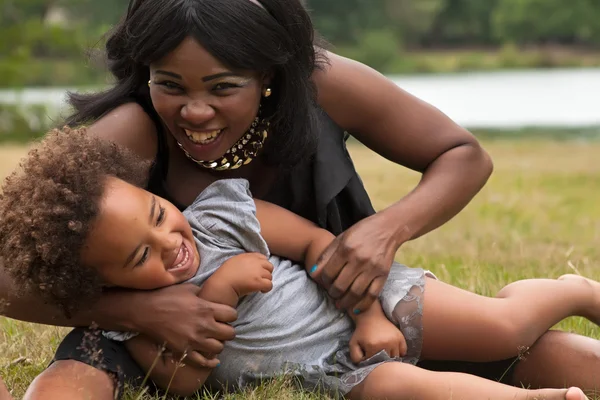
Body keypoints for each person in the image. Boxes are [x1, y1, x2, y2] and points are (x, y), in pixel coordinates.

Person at [0, 0, 598, 399]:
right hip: (160, 328)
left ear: (269, 74)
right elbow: (11, 267)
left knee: (526, 345)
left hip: (328, 298)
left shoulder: (320, 82)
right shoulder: (129, 131)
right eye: (169, 85)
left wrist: (385, 232)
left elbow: (464, 155)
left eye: (224, 88)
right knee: (75, 379)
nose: (195, 111)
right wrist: (134, 312)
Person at [0, 128, 596, 400]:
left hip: (366, 304)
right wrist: (222, 295)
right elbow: (187, 381)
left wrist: (368, 318)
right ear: (103, 282)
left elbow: (320, 246)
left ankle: (570, 290)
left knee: (503, 330)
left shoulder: (223, 215)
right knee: (405, 389)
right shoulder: (133, 324)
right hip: (336, 374)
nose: (169, 244)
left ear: (154, 191)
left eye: (158, 215)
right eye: (140, 257)